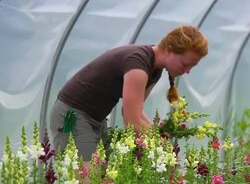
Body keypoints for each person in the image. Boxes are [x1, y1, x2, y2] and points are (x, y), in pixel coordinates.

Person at [50, 25, 208, 163]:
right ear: (169, 50)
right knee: (88, 176)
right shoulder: (138, 65)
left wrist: (158, 134)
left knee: (103, 175)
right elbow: (132, 122)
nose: (187, 71)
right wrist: (162, 148)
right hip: (72, 115)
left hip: (96, 118)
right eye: (185, 64)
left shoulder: (155, 69)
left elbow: (132, 112)